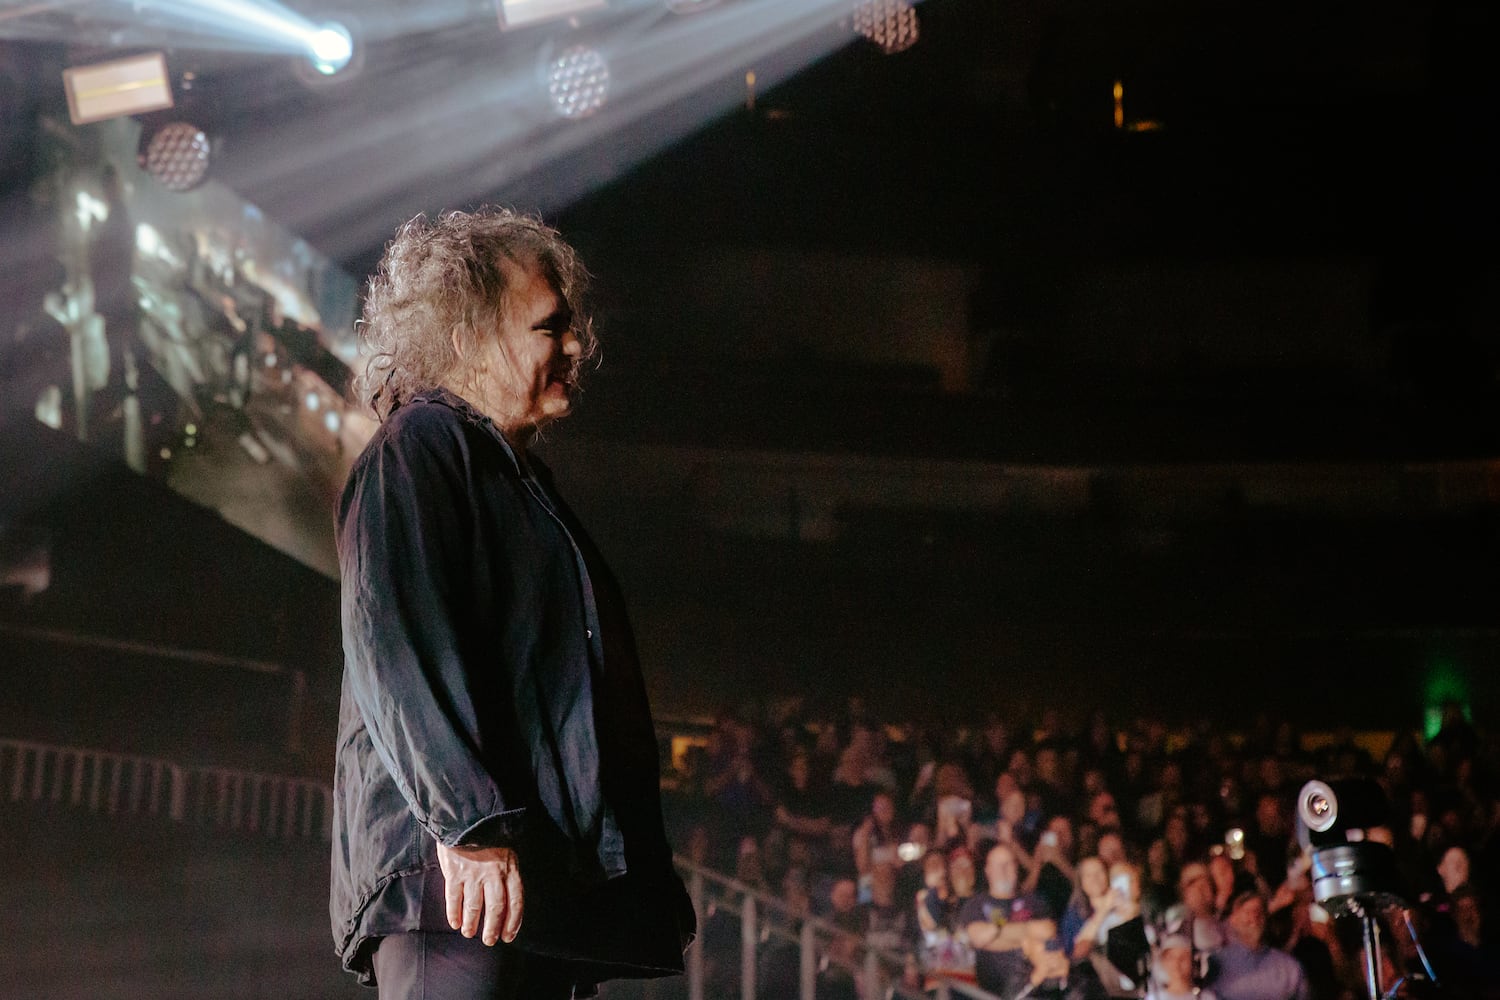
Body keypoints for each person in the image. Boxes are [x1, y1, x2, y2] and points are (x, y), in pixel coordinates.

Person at [330, 207, 695, 999]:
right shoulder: (421, 447)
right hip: (458, 882)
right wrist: (468, 824)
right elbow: (398, 643)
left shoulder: (519, 484)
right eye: (548, 327)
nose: (574, 348)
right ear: (464, 337)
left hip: (522, 884)